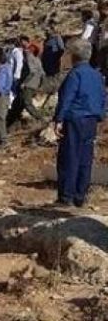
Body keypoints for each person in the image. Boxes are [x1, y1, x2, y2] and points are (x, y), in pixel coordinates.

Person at [52, 38, 107, 207]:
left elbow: (67, 98)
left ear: (74, 56)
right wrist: (100, 115)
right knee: (85, 158)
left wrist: (59, 119)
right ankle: (80, 195)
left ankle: (66, 196)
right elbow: (103, 97)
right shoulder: (97, 75)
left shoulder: (75, 74)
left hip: (75, 119)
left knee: (69, 156)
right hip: (91, 120)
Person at [18, 36, 45, 122]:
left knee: (27, 103)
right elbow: (42, 73)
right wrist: (40, 83)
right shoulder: (37, 59)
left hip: (29, 84)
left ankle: (40, 118)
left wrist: (24, 83)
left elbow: (32, 71)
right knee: (21, 102)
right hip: (35, 83)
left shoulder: (29, 56)